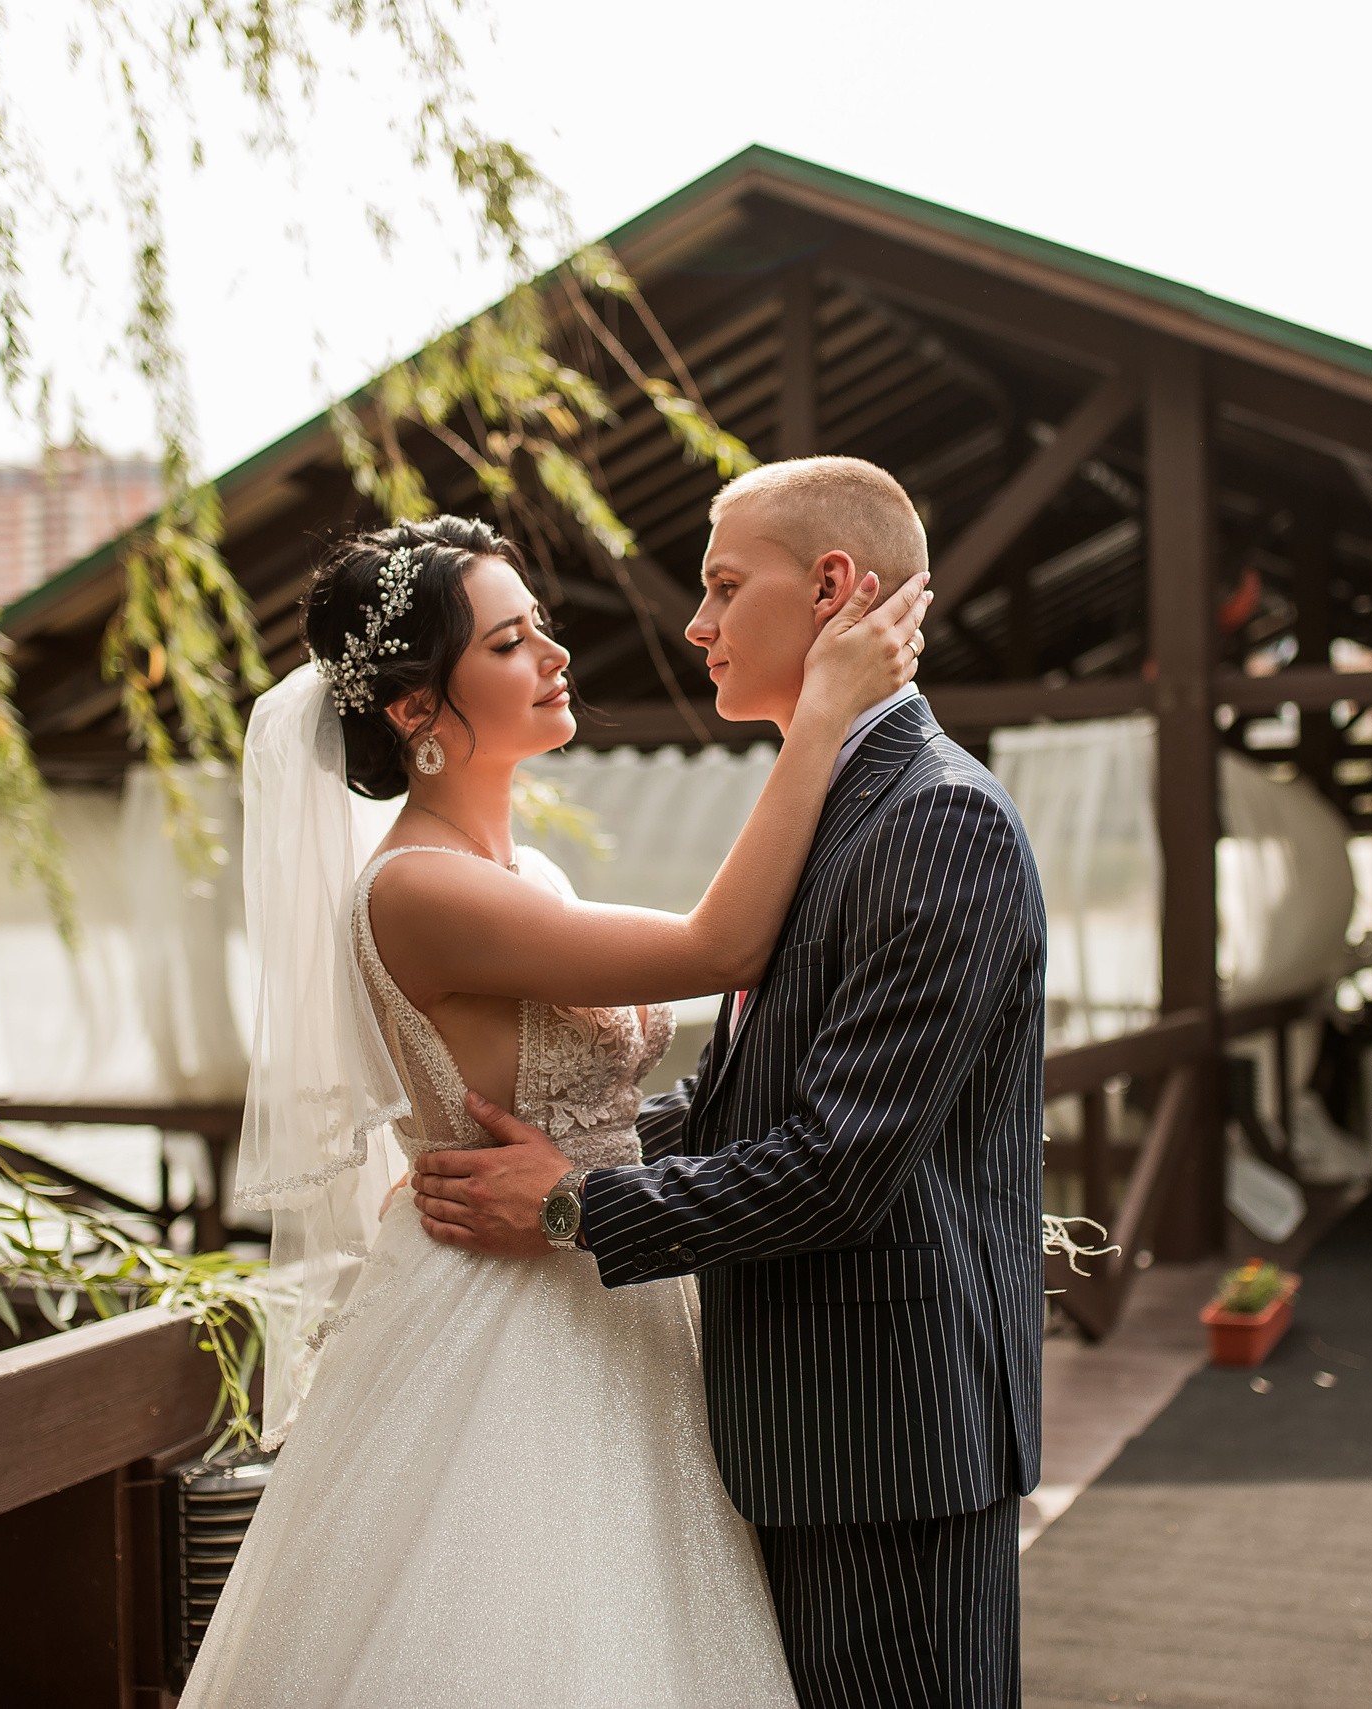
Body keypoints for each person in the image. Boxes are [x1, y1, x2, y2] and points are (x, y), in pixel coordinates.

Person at [174, 511, 929, 1708]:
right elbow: (720, 944)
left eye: (540, 631)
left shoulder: (527, 878)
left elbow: (617, 1089)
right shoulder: (418, 888)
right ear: (418, 710)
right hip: (505, 1311)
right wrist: (827, 709)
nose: (555, 657)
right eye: (512, 642)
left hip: (595, 1274)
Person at [415, 458, 1049, 1709]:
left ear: (828, 587)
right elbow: (734, 1101)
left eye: (719, 585)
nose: (694, 624)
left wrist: (573, 1206)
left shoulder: (935, 818)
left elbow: (837, 1165)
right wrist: (563, 1142)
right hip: (809, 1427)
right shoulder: (833, 801)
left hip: (887, 1439)